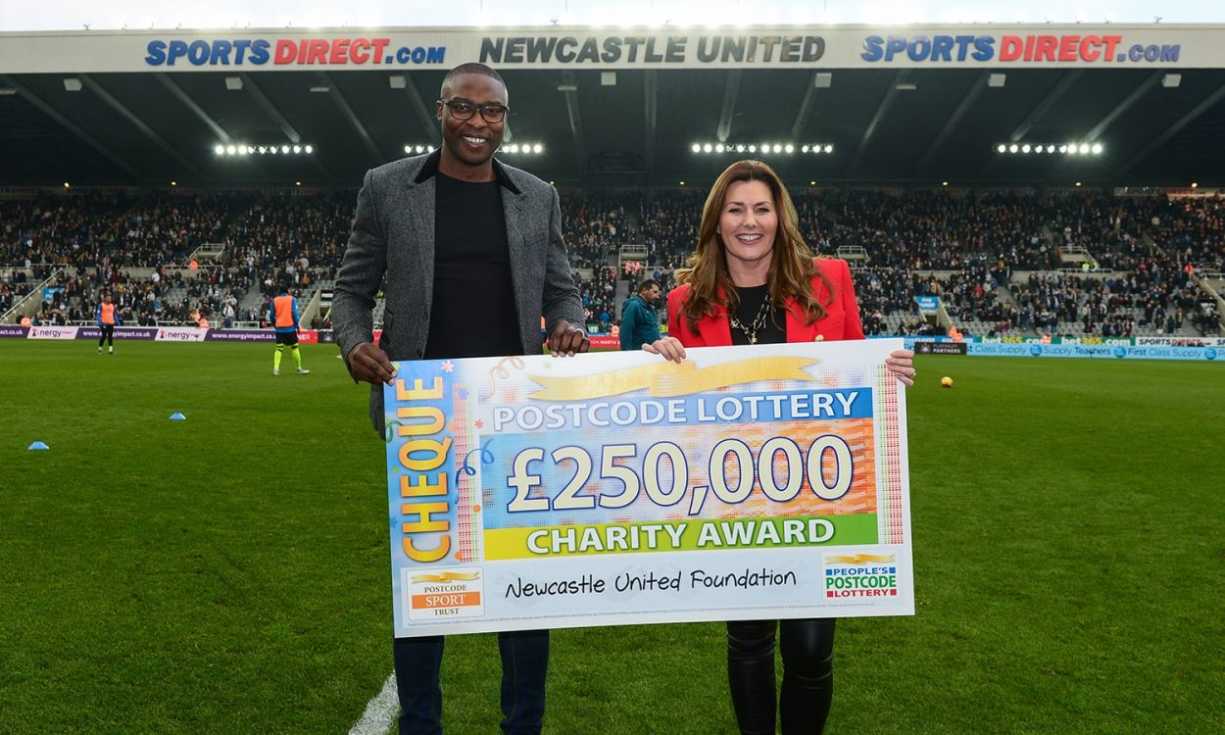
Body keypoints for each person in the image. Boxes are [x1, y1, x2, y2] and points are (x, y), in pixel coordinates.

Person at [331, 62, 588, 735]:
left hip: (517, 414)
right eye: (465, 109)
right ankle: (420, 723)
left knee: (525, 588)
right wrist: (353, 343)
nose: (478, 123)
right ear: (440, 111)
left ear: (506, 119)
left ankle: (522, 724)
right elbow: (351, 292)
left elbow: (563, 289)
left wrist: (570, 322)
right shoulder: (388, 188)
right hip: (424, 412)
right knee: (424, 586)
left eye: (492, 112)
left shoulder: (536, 194)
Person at [644, 160, 915, 735]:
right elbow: (676, 405)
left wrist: (889, 370)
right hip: (735, 500)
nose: (750, 221)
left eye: (761, 208)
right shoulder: (685, 302)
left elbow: (858, 369)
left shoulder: (830, 280)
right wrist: (656, 363)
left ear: (779, 216)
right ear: (717, 222)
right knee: (748, 639)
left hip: (819, 495)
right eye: (735, 209)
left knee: (811, 649)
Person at [269, 286, 309, 376]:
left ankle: (276, 369)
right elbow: (294, 313)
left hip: (279, 328)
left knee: (279, 349)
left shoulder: (275, 300)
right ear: (287, 291)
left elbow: (271, 315)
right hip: (290, 327)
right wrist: (297, 326)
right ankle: (299, 368)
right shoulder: (292, 299)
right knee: (294, 347)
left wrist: (275, 324)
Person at [619, 279, 661, 350]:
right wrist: (626, 354)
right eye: (655, 292)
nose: (657, 296)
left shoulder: (650, 308)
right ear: (644, 291)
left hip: (650, 353)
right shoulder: (634, 305)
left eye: (658, 294)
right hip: (639, 354)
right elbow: (626, 331)